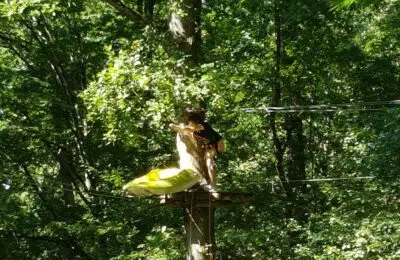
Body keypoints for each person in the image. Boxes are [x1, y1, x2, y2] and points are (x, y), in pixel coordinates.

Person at [183, 108, 224, 190]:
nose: (190, 125)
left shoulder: (201, 125)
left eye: (191, 123)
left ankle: (213, 185)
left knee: (210, 164)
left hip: (216, 144)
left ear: (196, 122)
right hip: (209, 145)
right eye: (189, 124)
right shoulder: (195, 129)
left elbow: (191, 129)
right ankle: (208, 183)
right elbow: (189, 130)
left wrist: (182, 128)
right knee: (204, 163)